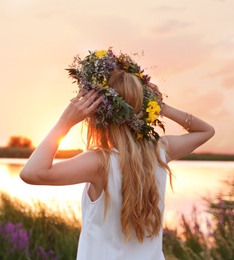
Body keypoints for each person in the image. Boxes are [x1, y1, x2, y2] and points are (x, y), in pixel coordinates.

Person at [19, 48, 215, 259]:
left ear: (97, 114)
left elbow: (32, 173)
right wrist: (162, 107)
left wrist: (64, 123)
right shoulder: (159, 151)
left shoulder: (99, 162)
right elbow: (206, 131)